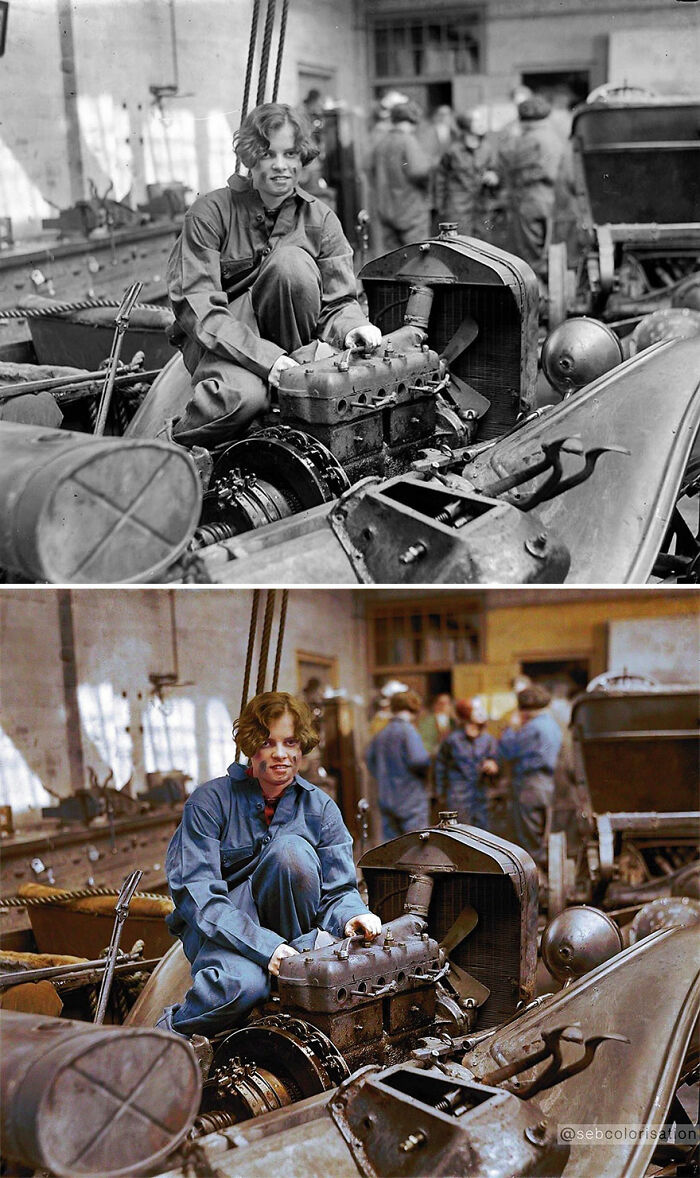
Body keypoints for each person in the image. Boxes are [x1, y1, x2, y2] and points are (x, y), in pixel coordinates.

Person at [158, 690, 381, 1038]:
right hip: (223, 931)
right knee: (241, 988)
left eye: (290, 742)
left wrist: (354, 914)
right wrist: (267, 949)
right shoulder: (208, 802)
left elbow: (339, 889)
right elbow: (199, 898)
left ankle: (291, 970)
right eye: (267, 742)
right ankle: (169, 1032)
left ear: (301, 746)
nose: (280, 754)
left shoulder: (320, 808)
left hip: (294, 934)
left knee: (291, 851)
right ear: (250, 746)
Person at [166, 102, 381, 448]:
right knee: (242, 400)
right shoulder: (209, 213)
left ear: (302, 158)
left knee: (291, 264)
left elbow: (339, 300)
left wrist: (355, 326)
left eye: (290, 154)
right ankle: (173, 445)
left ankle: (291, 390)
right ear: (251, 158)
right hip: (223, 344)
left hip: (295, 346)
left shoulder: (322, 219)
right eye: (268, 154)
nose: (281, 166)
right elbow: (198, 308)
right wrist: (268, 361)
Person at [491, 684, 563, 865]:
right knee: (540, 834)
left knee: (528, 839)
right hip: (545, 784)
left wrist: (509, 729)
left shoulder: (532, 728)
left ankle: (535, 882)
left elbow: (508, 750)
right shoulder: (552, 725)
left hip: (529, 785)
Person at [496, 94, 564, 277]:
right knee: (545, 249)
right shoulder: (553, 136)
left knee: (528, 254)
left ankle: (537, 297)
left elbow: (506, 159)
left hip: (529, 199)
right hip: (548, 199)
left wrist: (510, 136)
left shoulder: (528, 139)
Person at [365, 689, 431, 839]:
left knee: (393, 850)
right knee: (416, 849)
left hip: (387, 797)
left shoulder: (382, 733)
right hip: (410, 799)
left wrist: (383, 776)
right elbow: (419, 760)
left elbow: (369, 759)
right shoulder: (408, 731)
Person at [369, 100, 433, 250]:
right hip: (411, 211)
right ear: (414, 118)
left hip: (386, 210)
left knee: (395, 261)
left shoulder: (381, 143)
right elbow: (419, 171)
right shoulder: (408, 140)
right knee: (417, 260)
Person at [434, 697, 498, 829]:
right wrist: (440, 793)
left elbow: (498, 762)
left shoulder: (488, 740)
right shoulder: (452, 740)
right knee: (460, 833)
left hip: (482, 794)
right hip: (458, 795)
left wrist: (493, 766)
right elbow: (440, 767)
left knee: (484, 834)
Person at [436, 112, 497, 237]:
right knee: (459, 244)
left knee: (483, 245)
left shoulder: (487, 148)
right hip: (458, 207)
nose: (482, 124)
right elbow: (440, 179)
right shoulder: (452, 150)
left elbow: (495, 170)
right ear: (466, 126)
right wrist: (439, 206)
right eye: (477, 121)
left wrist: (493, 176)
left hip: (482, 206)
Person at [417, 692, 455, 757]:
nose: (443, 706)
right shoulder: (426, 722)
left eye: (447, 703)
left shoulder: (453, 722)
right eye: (441, 703)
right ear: (435, 705)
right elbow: (424, 741)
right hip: (432, 755)